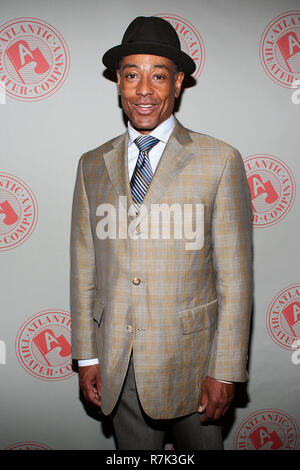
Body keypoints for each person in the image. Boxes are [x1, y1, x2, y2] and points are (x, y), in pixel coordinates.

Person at [70, 16, 253, 450]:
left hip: (195, 368)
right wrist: (88, 355)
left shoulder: (219, 159)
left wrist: (225, 370)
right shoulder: (91, 165)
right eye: (132, 75)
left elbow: (235, 278)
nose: (144, 90)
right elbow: (84, 267)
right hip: (119, 369)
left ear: (178, 83)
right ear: (118, 82)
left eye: (158, 76)